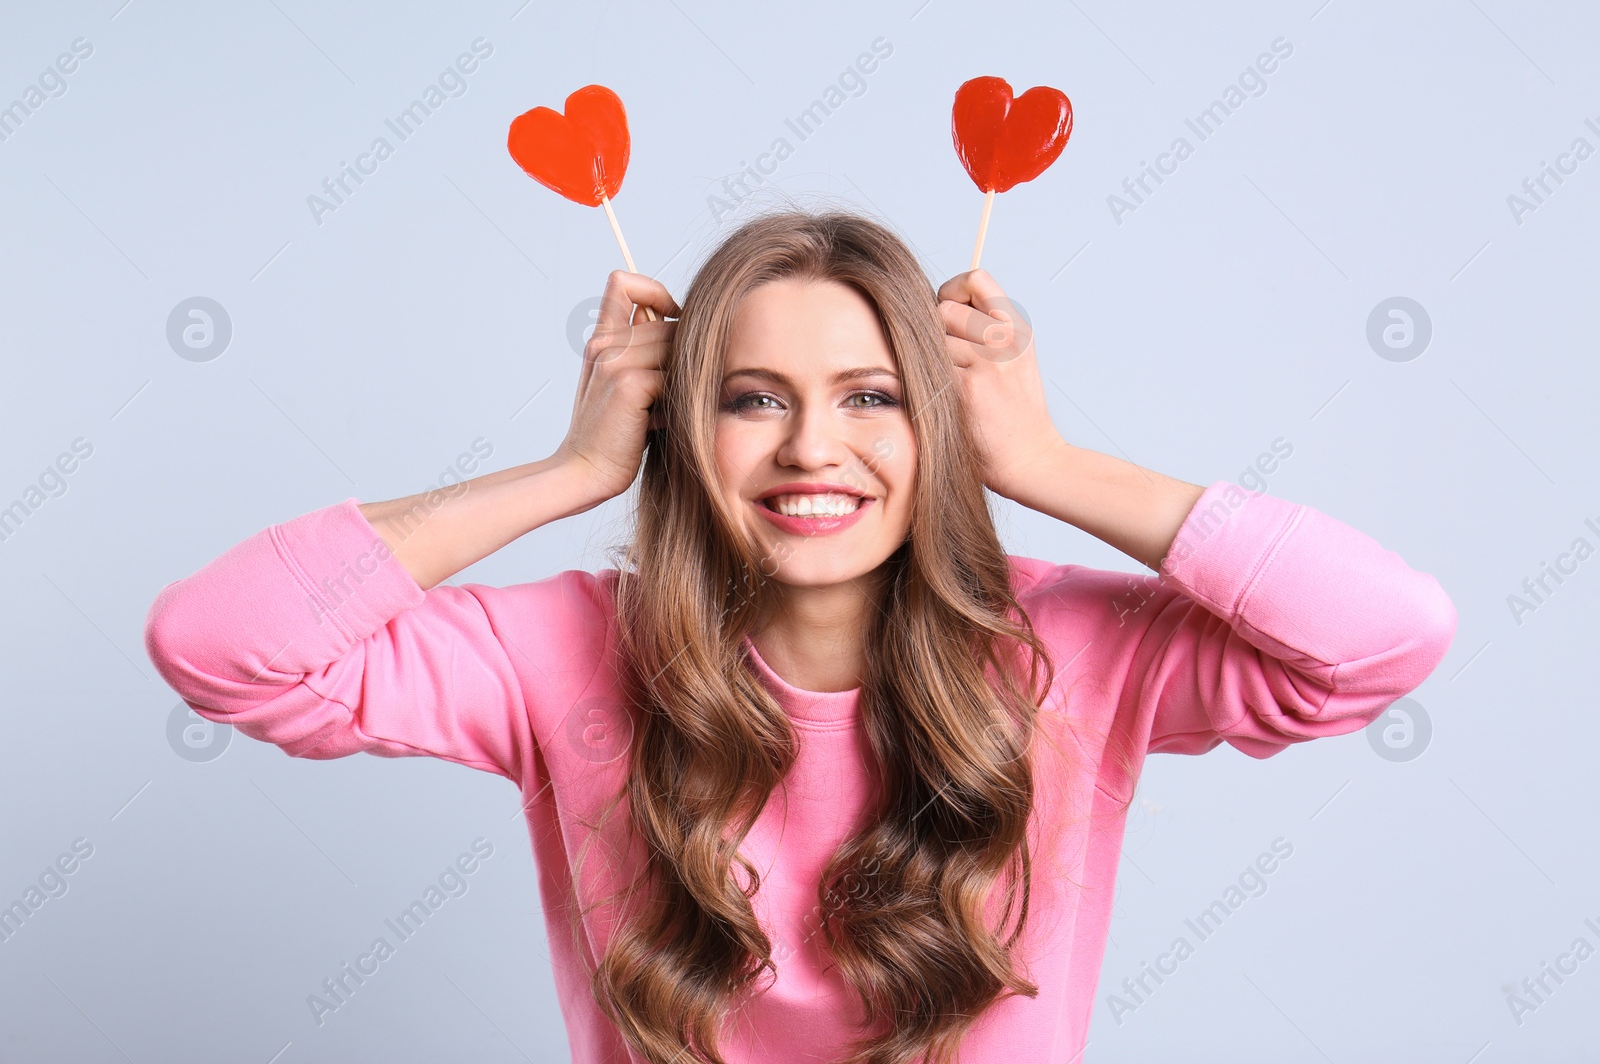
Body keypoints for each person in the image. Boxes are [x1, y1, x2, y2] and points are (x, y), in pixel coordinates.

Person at [143, 209, 1457, 1064]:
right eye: (753, 399)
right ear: (677, 423)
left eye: (874, 398)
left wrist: (1046, 463)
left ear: (942, 426)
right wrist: (570, 471)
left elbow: (1383, 636)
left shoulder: (1073, 650)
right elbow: (220, 643)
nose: (812, 449)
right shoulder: (565, 656)